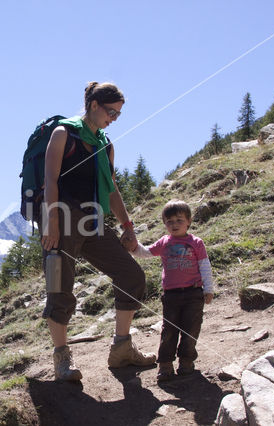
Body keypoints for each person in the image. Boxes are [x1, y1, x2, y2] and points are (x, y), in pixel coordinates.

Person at [41, 81, 156, 382]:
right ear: (93, 105)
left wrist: (127, 226)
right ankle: (62, 359)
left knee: (132, 276)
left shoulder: (105, 144)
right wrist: (51, 222)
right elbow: (50, 181)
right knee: (59, 287)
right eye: (111, 112)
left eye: (118, 114)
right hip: (61, 222)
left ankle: (121, 349)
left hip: (92, 222)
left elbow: (112, 189)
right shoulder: (63, 134)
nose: (114, 119)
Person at [125, 199, 214, 381]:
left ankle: (186, 361)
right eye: (170, 221)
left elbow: (204, 266)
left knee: (191, 329)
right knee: (169, 331)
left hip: (193, 293)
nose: (174, 225)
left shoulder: (196, 242)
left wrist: (208, 289)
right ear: (165, 223)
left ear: (188, 221)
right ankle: (165, 365)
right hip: (171, 295)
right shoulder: (164, 242)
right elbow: (146, 252)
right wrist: (133, 247)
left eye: (179, 220)